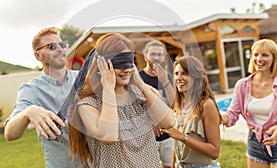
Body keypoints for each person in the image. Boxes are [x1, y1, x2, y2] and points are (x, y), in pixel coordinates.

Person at [67, 32, 176, 168]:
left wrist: (141, 84)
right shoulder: (88, 104)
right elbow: (109, 136)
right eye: (120, 62)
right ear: (103, 64)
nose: (126, 69)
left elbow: (169, 122)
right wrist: (108, 88)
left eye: (129, 61)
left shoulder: (139, 95)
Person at [4, 27, 80, 168]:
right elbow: (10, 133)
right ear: (37, 56)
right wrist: (28, 112)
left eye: (62, 45)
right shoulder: (32, 90)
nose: (59, 49)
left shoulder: (83, 78)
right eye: (51, 46)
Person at [221, 39, 277, 168]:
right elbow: (232, 113)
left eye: (265, 55)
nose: (259, 59)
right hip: (255, 141)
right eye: (256, 54)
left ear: (274, 58)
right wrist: (217, 117)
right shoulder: (242, 85)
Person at [161, 56, 221, 168]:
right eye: (176, 74)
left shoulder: (207, 105)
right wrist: (173, 165)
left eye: (184, 73)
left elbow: (215, 151)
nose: (178, 78)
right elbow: (177, 143)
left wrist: (183, 137)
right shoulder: (180, 104)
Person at [139, 40, 175, 168]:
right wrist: (152, 122)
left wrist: (165, 80)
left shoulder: (169, 77)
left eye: (160, 54)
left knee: (169, 165)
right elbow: (137, 107)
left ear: (164, 57)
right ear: (145, 56)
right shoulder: (139, 78)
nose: (156, 57)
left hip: (168, 134)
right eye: (152, 54)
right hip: (148, 135)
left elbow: (173, 103)